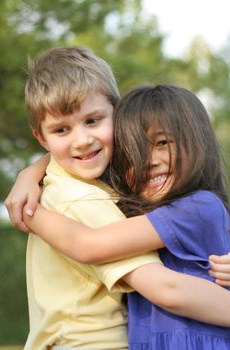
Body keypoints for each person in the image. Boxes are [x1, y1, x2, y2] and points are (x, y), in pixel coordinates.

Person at [16, 84, 230, 349]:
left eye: (162, 143)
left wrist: (29, 212)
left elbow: (89, 244)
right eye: (132, 153)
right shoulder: (134, 211)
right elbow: (77, 151)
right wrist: (30, 174)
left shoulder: (198, 207)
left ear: (197, 143)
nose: (147, 160)